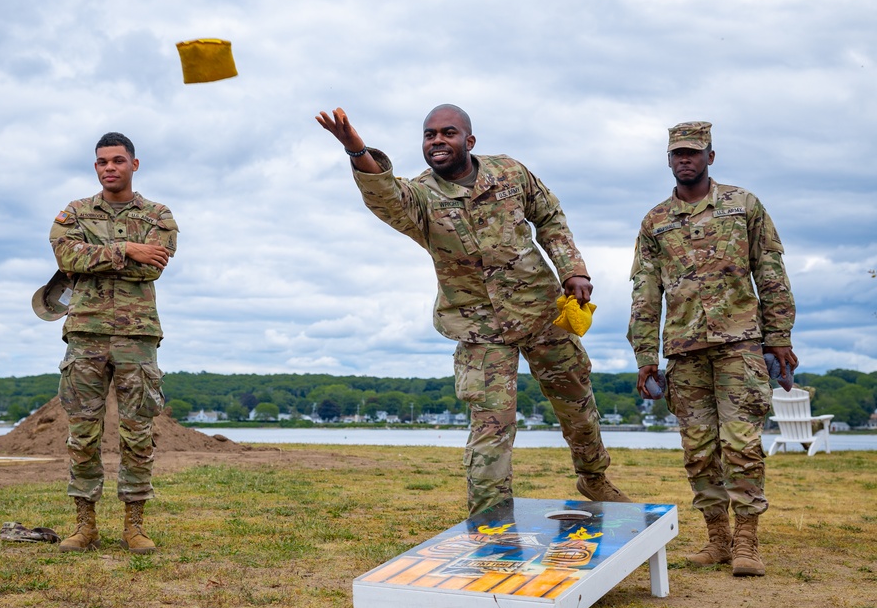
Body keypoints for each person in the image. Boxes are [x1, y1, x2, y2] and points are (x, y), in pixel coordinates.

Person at [316, 105, 631, 516]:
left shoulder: (509, 173)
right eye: (429, 135)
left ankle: (594, 477)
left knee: (576, 404)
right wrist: (357, 151)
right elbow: (387, 198)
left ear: (469, 140)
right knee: (491, 426)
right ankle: (490, 519)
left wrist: (573, 269)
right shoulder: (421, 196)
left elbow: (550, 217)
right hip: (478, 327)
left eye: (448, 133)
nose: (437, 141)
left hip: (540, 313)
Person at [628, 121, 796, 577]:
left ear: (710, 157)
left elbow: (771, 272)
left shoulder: (743, 206)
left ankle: (747, 543)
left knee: (741, 444)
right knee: (699, 449)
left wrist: (778, 335)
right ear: (669, 160)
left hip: (740, 344)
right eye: (678, 154)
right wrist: (645, 356)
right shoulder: (656, 222)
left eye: (694, 153)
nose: (686, 160)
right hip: (684, 352)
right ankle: (717, 538)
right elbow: (644, 293)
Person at [49, 132, 179, 554]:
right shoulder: (75, 211)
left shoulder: (158, 214)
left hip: (137, 337)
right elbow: (66, 256)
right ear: (95, 167)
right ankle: (84, 526)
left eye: (118, 160)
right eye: (102, 161)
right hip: (85, 333)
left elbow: (153, 268)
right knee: (82, 433)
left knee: (137, 433)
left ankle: (134, 527)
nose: (110, 168)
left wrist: (97, 257)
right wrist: (127, 249)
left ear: (134, 165)